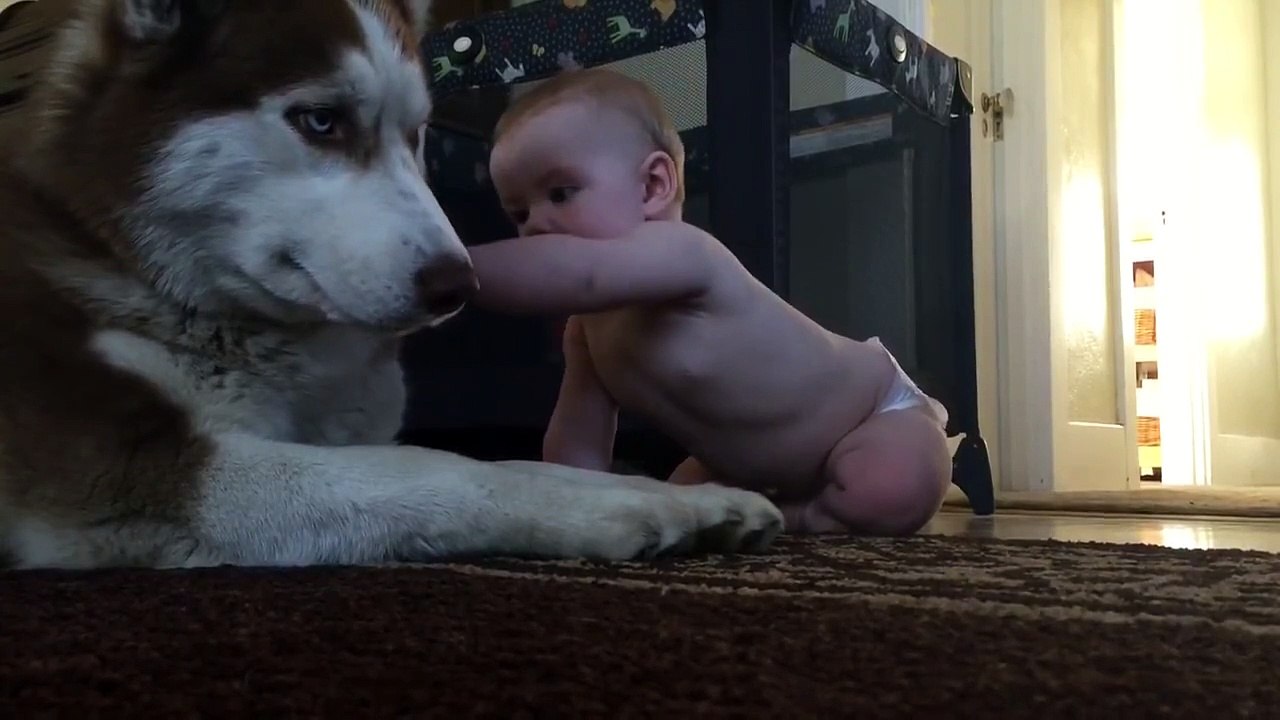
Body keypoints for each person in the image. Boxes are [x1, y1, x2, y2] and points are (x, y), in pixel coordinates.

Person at [465, 68, 952, 535]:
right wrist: (568, 507)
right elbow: (578, 446)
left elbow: (581, 275)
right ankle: (779, 509)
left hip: (873, 416)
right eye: (519, 212)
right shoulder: (586, 332)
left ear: (653, 186)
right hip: (743, 468)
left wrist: (447, 266)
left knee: (890, 487)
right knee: (677, 498)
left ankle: (797, 518)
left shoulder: (685, 254)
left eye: (560, 193)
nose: (534, 226)